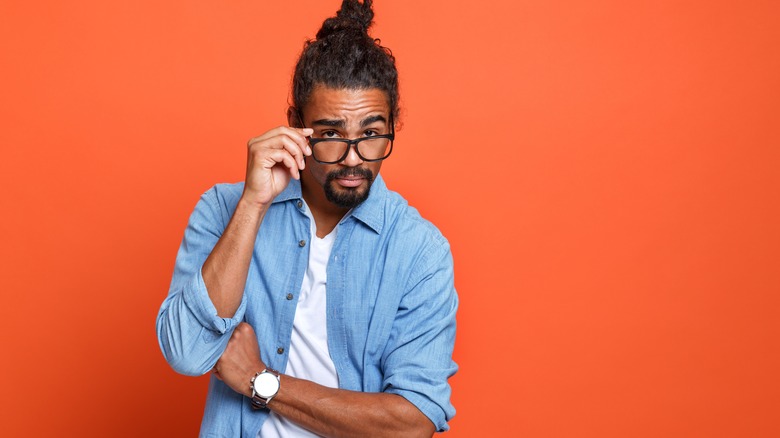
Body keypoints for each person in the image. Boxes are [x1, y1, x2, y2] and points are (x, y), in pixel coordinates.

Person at [156, 1, 458, 436]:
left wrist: (262, 382)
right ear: (296, 124)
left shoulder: (419, 251)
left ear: (395, 123)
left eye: (371, 134)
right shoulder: (224, 209)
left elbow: (411, 425)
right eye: (331, 134)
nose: (354, 160)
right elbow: (186, 352)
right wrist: (253, 204)